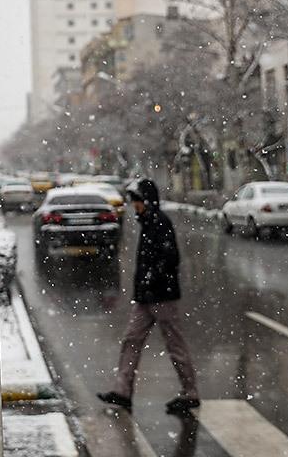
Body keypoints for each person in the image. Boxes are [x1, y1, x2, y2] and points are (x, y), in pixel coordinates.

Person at [99, 178, 200, 416]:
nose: (134, 205)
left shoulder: (159, 223)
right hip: (145, 298)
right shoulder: (147, 222)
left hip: (162, 296)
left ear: (147, 201)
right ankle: (122, 391)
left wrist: (153, 278)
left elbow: (170, 258)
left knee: (175, 344)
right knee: (131, 341)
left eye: (137, 200)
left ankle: (190, 392)